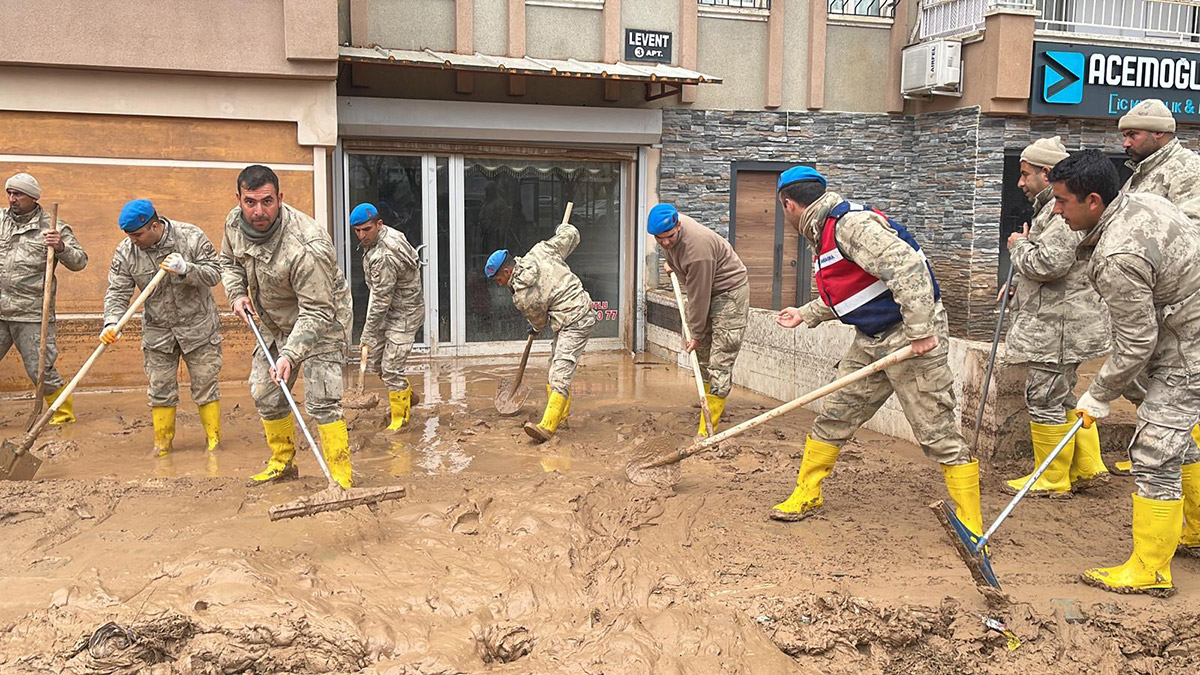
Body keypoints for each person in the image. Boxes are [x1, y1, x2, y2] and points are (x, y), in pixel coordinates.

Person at [768, 166, 985, 552]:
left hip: (911, 336)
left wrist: (921, 332)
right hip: (872, 338)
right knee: (836, 412)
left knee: (936, 432)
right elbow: (854, 291)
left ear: (789, 205)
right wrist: (807, 313)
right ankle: (808, 492)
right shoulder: (823, 231)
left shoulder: (851, 226)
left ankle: (972, 526)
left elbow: (908, 268)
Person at [1052, 149, 1200, 595]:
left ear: (1093, 199)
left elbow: (1137, 341)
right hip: (1186, 331)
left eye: (1062, 201)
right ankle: (1193, 531)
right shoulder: (1144, 200)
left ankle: (1150, 571)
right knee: (1179, 443)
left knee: (1155, 449)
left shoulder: (1117, 255)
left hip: (1189, 351)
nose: (1056, 212)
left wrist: (1098, 393)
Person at [220, 165, 354, 486]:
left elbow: (318, 311)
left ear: (280, 198)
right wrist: (237, 293)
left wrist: (290, 355)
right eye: (250, 202)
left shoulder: (307, 245)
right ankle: (283, 462)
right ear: (238, 199)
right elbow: (228, 262)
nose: (258, 211)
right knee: (266, 393)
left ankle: (340, 477)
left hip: (322, 321)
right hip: (273, 320)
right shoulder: (233, 225)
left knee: (322, 401)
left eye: (267, 201)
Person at [1001, 138, 1111, 497]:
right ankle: (1087, 466)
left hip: (1060, 324)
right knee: (1063, 397)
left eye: (1025, 174)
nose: (1020, 182)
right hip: (1064, 320)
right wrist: (1019, 282)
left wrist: (1017, 246)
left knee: (1045, 396)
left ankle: (1051, 477)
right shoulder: (1051, 208)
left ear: (1046, 173)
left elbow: (1050, 263)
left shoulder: (1060, 214)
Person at [1112, 98, 1200, 475]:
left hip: (1181, 306)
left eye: (1132, 134)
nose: (1125, 142)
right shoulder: (1143, 172)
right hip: (1154, 303)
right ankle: (1164, 448)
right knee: (1149, 388)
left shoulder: (1187, 170)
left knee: (1176, 397)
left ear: (1160, 133)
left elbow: (1189, 236)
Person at [101, 199, 223, 456]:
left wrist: (185, 269)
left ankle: (213, 442)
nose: (133, 240)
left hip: (198, 327)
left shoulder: (190, 236)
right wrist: (112, 321)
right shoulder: (126, 252)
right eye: (129, 236)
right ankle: (162, 445)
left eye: (137, 235)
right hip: (158, 332)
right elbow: (117, 292)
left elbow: (215, 273)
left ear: (154, 225)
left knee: (205, 384)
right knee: (160, 388)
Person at [484, 216, 594, 443]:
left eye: (497, 280)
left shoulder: (523, 296)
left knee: (560, 371)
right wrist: (563, 229)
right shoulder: (540, 251)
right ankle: (561, 417)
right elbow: (571, 237)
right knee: (553, 364)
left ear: (506, 273)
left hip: (576, 318)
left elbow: (540, 322)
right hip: (571, 314)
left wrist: (534, 328)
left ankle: (548, 426)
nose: (498, 284)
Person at [647, 203, 749, 436]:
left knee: (720, 356)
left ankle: (707, 429)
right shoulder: (668, 230)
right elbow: (674, 254)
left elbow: (698, 297)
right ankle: (708, 402)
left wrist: (695, 334)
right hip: (706, 287)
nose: (664, 243)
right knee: (701, 355)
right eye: (658, 239)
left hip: (728, 292)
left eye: (669, 238)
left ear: (679, 226)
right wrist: (672, 262)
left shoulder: (697, 251)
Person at [0, 172, 88, 424]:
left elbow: (80, 262)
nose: (12, 198)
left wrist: (61, 247)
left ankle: (62, 416)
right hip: (0, 311)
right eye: (9, 193)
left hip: (32, 314)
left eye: (18, 194)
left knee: (41, 371)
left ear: (33, 198)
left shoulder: (53, 227)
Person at [350, 202, 424, 431]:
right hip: (390, 309)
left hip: (404, 314)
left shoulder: (384, 255)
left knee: (391, 368)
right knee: (375, 362)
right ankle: (406, 395)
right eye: (357, 230)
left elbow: (381, 299)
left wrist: (367, 334)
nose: (362, 235)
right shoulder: (382, 237)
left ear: (379, 225)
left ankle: (400, 422)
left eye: (367, 229)